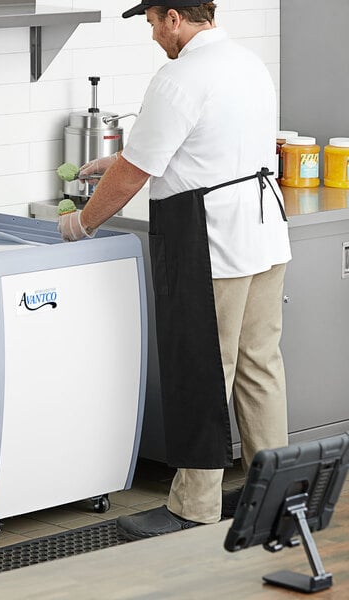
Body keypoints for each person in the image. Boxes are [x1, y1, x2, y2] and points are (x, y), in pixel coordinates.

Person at [58, 0, 291, 539]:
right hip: (263, 235)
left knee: (202, 372)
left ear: (174, 18)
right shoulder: (246, 62)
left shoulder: (179, 78)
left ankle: (195, 507)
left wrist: (80, 225)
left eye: (151, 24)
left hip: (208, 241)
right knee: (260, 367)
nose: (153, 36)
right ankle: (275, 495)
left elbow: (135, 174)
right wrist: (111, 164)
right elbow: (201, 149)